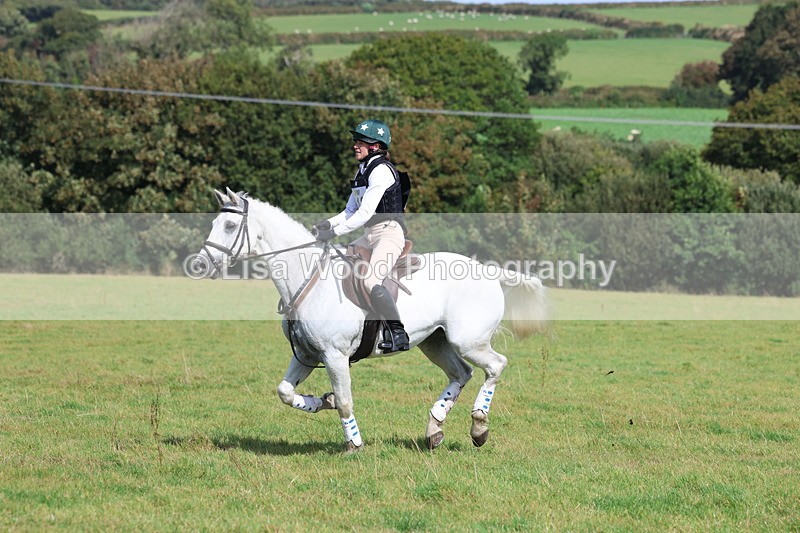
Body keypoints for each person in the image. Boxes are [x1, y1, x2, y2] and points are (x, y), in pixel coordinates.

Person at [311, 119, 410, 353]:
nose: (356, 145)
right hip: (369, 235)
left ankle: (398, 333)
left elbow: (365, 213)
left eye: (361, 141)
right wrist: (324, 225)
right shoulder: (362, 171)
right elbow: (349, 212)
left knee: (370, 280)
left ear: (375, 146)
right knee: (335, 265)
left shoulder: (382, 171)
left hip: (389, 234)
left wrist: (333, 232)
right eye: (356, 140)